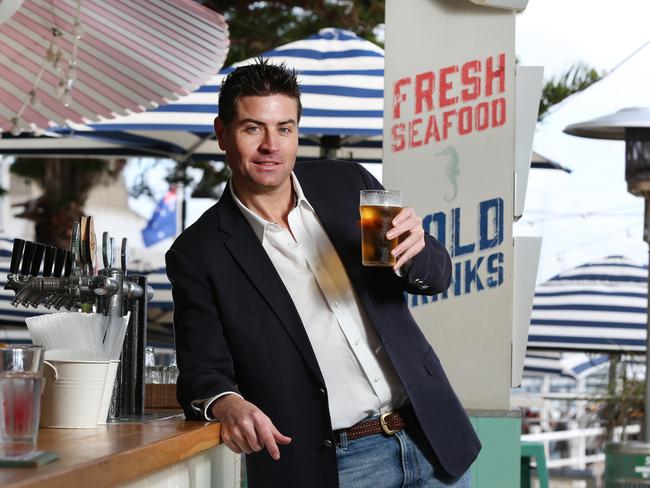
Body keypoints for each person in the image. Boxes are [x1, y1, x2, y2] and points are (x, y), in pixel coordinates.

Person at [165, 59, 481, 488]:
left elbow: (436, 277)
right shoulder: (198, 252)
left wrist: (418, 249)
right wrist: (227, 403)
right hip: (338, 465)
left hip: (429, 439)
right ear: (222, 133)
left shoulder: (349, 184)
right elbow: (202, 370)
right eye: (253, 128)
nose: (271, 146)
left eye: (285, 128)